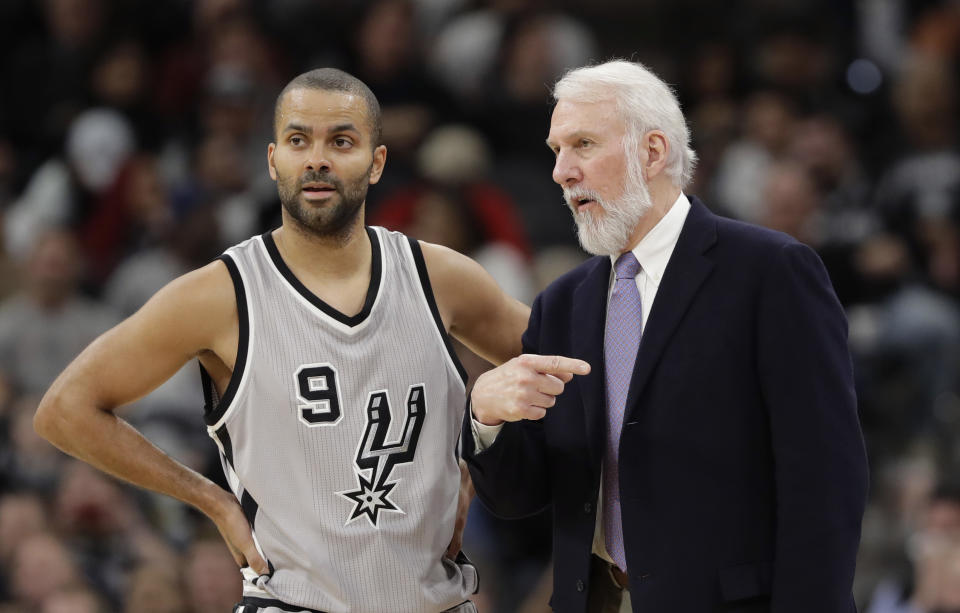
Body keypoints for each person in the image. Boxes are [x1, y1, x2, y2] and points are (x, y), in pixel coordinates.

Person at [34, 68, 529, 613]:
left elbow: (560, 363)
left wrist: (477, 469)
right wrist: (212, 500)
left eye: (341, 141)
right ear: (273, 161)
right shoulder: (219, 294)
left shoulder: (440, 277)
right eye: (299, 140)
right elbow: (64, 410)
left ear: (378, 162)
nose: (317, 158)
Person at [462, 60, 870, 613]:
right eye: (556, 150)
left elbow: (825, 480)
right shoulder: (561, 304)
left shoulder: (770, 272)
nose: (561, 171)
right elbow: (521, 498)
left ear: (652, 153)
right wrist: (485, 418)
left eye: (582, 144)